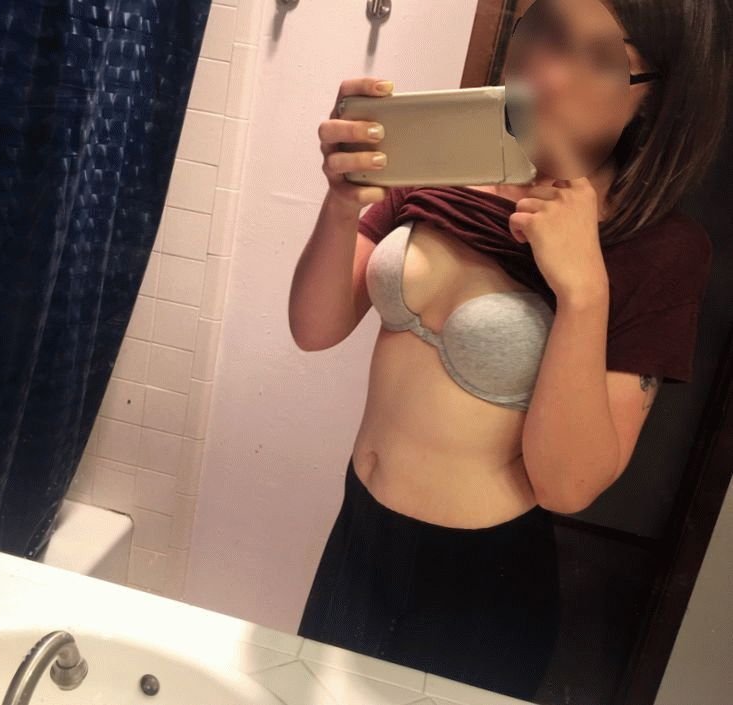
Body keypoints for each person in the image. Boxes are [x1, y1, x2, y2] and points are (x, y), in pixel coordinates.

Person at [287, 0, 730, 700]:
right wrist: (341, 204)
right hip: (358, 534)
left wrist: (582, 289)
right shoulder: (440, 159)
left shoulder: (660, 250)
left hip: (479, 585)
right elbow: (315, 328)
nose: (547, 74)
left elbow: (567, 485)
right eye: (546, 30)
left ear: (654, 96)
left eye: (603, 59)